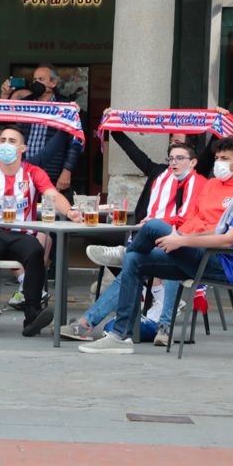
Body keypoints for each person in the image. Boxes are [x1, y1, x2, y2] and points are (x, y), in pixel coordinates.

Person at [79, 146, 233, 354]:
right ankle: (120, 336)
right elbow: (213, 228)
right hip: (207, 255)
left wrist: (182, 242)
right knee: (135, 261)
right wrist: (182, 237)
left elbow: (227, 240)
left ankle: (123, 253)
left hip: (225, 265)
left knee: (154, 226)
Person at [62, 138, 207, 345]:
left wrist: (159, 223)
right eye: (171, 158)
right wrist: (115, 130)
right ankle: (87, 322)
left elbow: (188, 220)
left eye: (180, 158)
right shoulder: (166, 177)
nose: (174, 162)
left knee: (146, 257)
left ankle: (163, 324)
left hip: (191, 247)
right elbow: (134, 153)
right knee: (134, 264)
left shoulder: (199, 183)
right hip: (167, 242)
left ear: (193, 162)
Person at [0, 126, 81, 337]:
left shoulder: (33, 172)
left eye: (12, 141)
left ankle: (32, 316)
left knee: (36, 252)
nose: (7, 144)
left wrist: (70, 211)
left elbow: (53, 196)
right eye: (3, 140)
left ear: (23, 148)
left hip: (23, 234)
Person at [0, 65, 81, 192]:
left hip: (51, 174)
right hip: (24, 173)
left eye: (41, 79)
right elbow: (1, 120)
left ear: (53, 83)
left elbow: (75, 142)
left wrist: (67, 170)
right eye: (34, 79)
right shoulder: (25, 103)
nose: (36, 83)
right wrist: (5, 95)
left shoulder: (65, 107)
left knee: (49, 211)